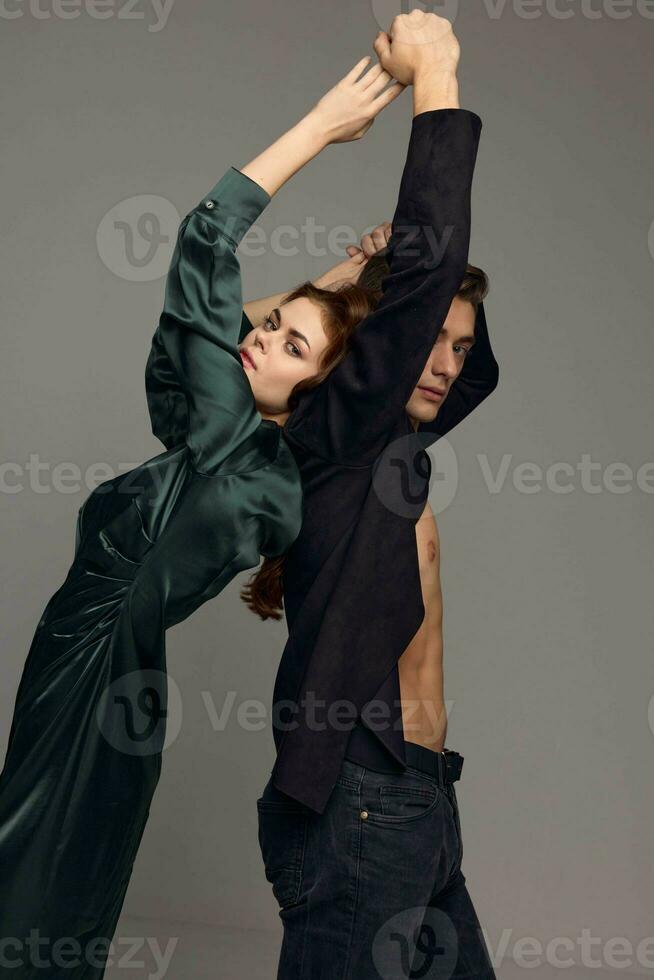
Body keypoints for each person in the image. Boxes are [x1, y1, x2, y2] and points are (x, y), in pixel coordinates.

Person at [0, 60, 405, 979]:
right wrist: (333, 289)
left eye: (289, 345)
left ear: (310, 393)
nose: (259, 337)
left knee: (30, 894)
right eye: (268, 329)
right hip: (111, 677)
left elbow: (204, 244)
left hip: (94, 667)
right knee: (49, 897)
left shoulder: (231, 440)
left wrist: (318, 126)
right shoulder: (253, 461)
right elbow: (216, 340)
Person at [249, 12, 500, 979]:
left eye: (459, 345)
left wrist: (410, 281)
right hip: (359, 807)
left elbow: (468, 370)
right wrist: (436, 71)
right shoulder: (336, 433)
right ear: (381, 341)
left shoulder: (395, 440)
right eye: (427, 338)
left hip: (423, 803)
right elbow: (427, 278)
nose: (444, 366)